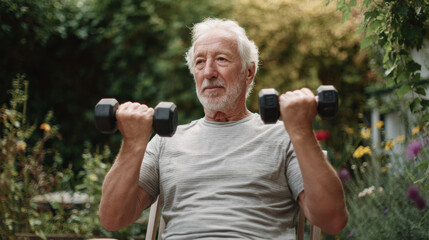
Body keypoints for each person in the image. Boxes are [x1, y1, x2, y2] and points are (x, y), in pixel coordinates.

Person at [99, 18, 348, 239]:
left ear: (248, 72)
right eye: (199, 62)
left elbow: (332, 220)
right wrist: (132, 144)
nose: (208, 72)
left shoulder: (284, 136)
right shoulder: (167, 141)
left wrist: (302, 132)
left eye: (221, 59)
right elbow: (113, 219)